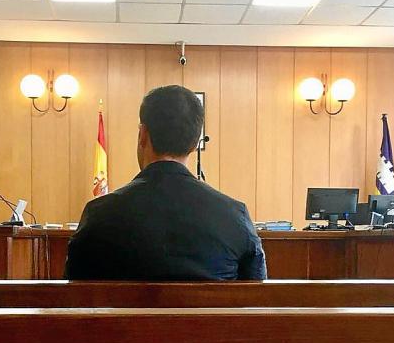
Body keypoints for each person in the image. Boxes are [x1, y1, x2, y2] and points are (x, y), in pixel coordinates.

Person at [65, 85, 267, 281]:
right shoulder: (235, 217)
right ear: (195, 143)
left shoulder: (98, 214)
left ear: (143, 135)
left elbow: (73, 294)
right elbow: (258, 296)